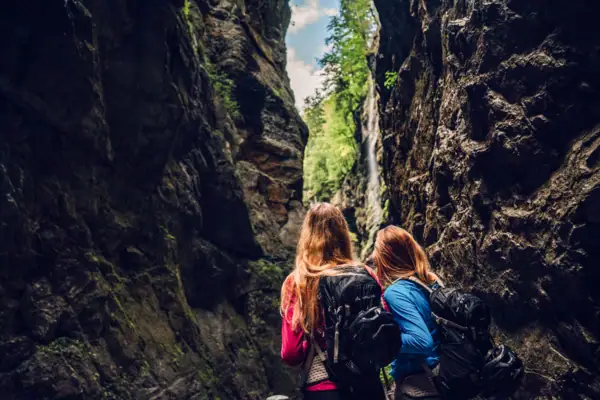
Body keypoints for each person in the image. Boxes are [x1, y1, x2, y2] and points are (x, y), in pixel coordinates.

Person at [280, 202, 385, 400]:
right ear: (343, 234)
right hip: (368, 384)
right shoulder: (366, 273)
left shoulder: (299, 281)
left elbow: (290, 353)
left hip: (325, 387)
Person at [373, 226, 441, 400]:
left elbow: (421, 341)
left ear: (386, 257)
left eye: (376, 249)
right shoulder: (431, 281)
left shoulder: (395, 292)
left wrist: (383, 341)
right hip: (442, 379)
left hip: (418, 386)